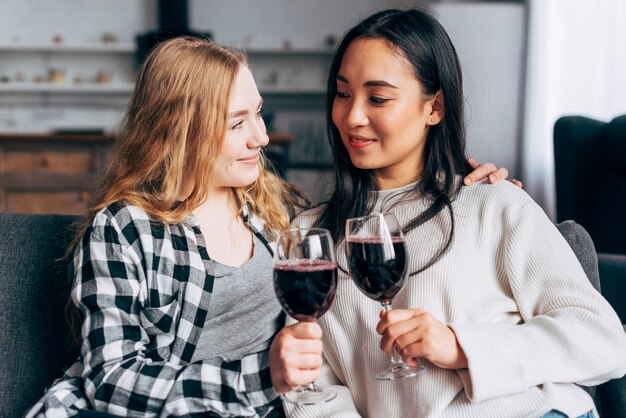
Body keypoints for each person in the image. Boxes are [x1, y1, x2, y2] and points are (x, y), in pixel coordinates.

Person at [25, 36, 513, 417]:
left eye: (257, 113)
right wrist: (261, 376)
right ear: (180, 132)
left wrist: (459, 184)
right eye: (238, 123)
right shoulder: (126, 228)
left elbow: (375, 216)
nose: (261, 136)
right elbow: (109, 380)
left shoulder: (279, 212)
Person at [270, 8, 626, 418]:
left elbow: (603, 341)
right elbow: (314, 392)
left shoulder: (494, 202)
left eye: (378, 98)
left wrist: (461, 346)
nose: (352, 117)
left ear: (434, 107)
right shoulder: (310, 237)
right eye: (343, 93)